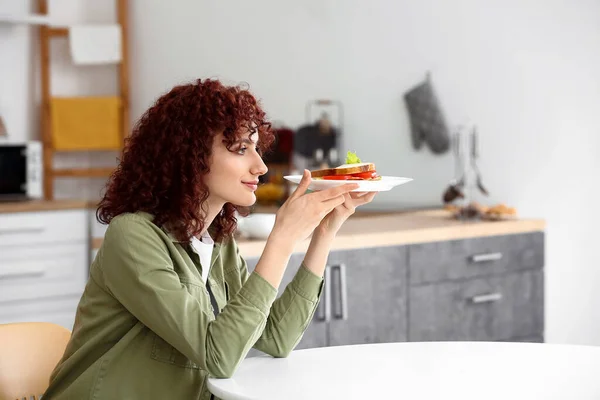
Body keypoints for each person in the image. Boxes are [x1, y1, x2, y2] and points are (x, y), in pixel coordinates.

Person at [43, 79, 376, 400]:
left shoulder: (217, 240)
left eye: (257, 149)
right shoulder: (132, 237)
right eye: (241, 149)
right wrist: (282, 240)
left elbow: (275, 338)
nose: (260, 166)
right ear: (191, 155)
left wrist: (324, 231)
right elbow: (218, 354)